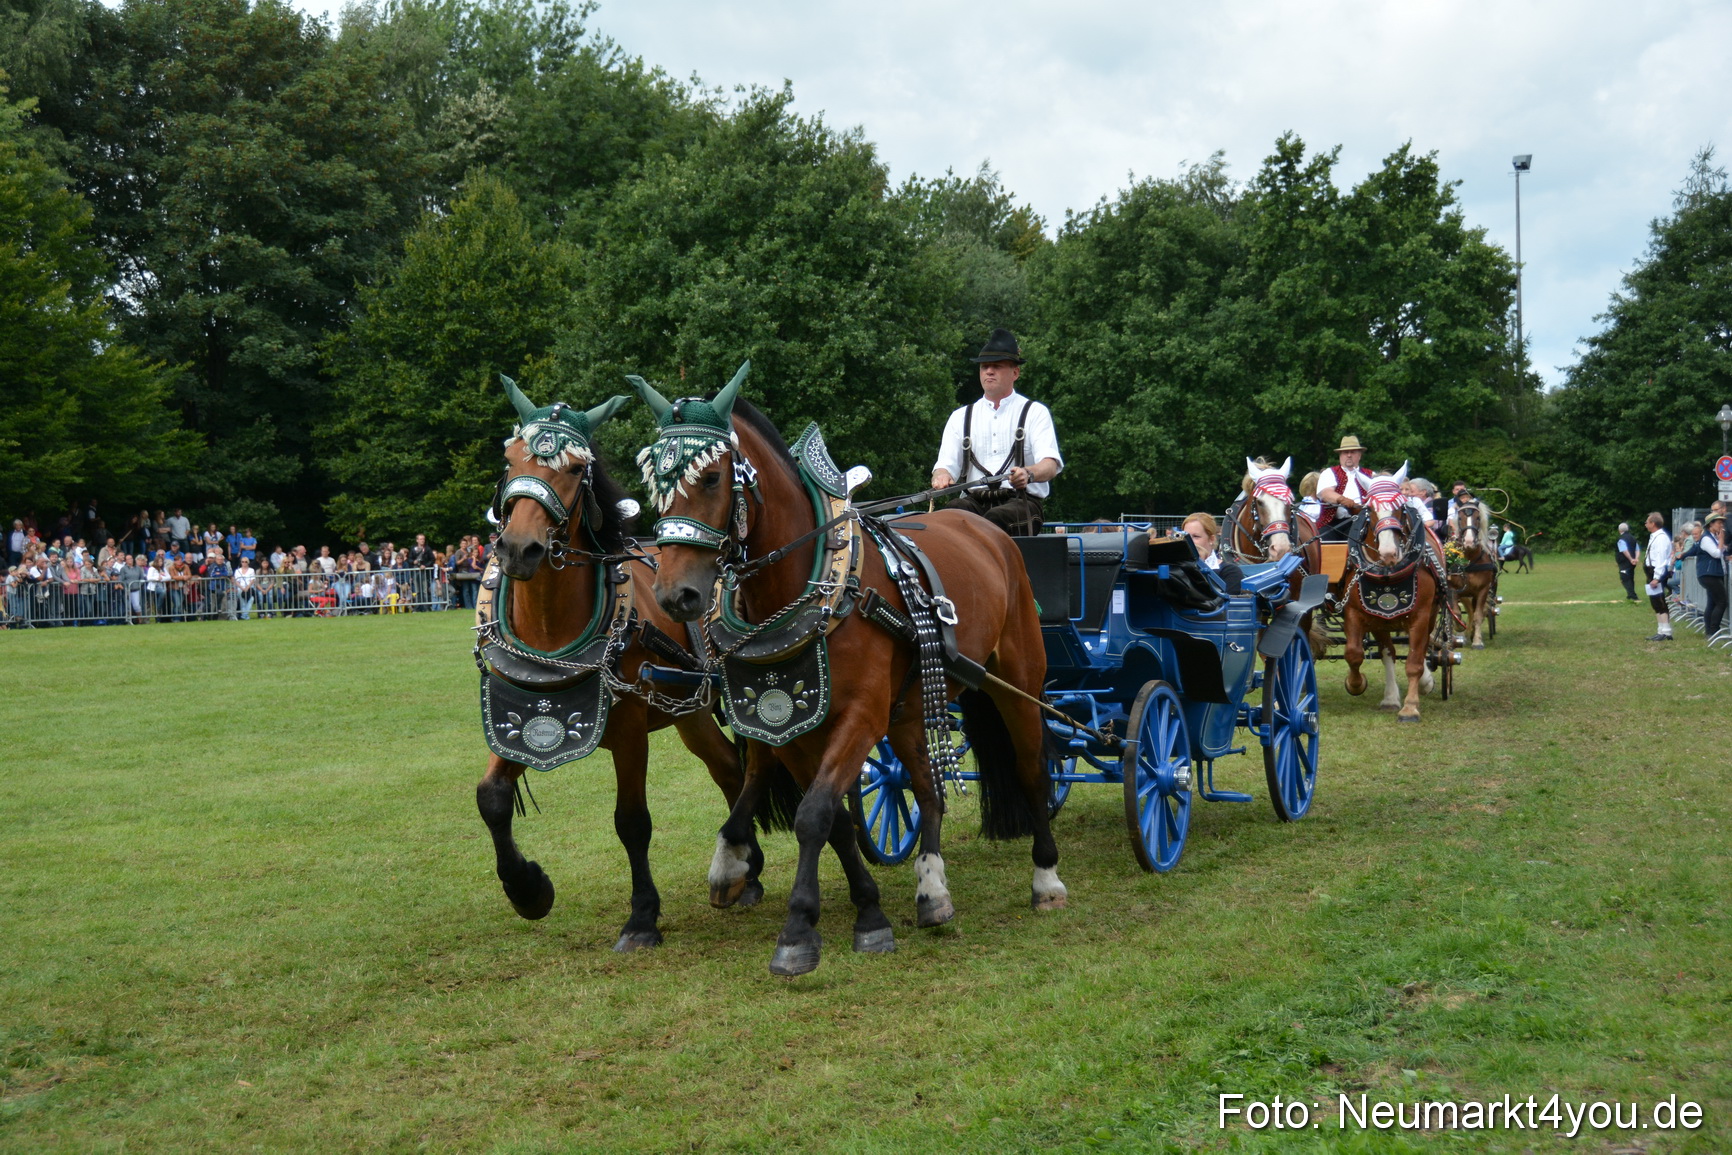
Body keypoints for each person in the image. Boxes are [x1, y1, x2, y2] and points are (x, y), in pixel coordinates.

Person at [930, 328, 1062, 536]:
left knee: (995, 518)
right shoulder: (960, 417)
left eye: (997, 366)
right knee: (950, 514)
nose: (989, 371)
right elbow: (944, 466)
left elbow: (1050, 465)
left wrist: (1028, 474)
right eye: (984, 367)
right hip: (973, 501)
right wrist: (941, 476)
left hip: (1021, 503)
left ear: (1015, 373)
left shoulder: (1035, 412)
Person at [1314, 436, 1376, 540]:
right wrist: (1342, 500)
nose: (1349, 455)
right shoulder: (1329, 473)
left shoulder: (1371, 475)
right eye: (1345, 452)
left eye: (1353, 452)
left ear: (1359, 455)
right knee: (1322, 541)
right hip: (1332, 523)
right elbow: (1326, 493)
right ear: (1340, 455)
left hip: (1361, 522)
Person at [1171, 512, 1243, 595]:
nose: (1189, 541)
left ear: (1211, 539)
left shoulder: (1230, 572)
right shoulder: (1175, 569)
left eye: (1196, 536)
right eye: (1185, 536)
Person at [1683, 512, 1726, 637]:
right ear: (1711, 524)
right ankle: (1714, 629)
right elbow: (1716, 554)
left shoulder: (1711, 537)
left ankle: (1709, 631)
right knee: (1722, 602)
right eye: (1719, 523)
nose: (1721, 525)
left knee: (1712, 603)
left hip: (1711, 573)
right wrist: (1721, 540)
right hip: (1709, 574)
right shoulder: (1706, 538)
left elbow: (1721, 550)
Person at [1643, 512, 1673, 642]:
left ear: (1653, 523)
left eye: (1647, 521)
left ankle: (1666, 630)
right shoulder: (1655, 536)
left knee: (1659, 601)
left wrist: (1656, 577)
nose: (1645, 524)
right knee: (1655, 601)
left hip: (1656, 573)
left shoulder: (1661, 538)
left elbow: (1660, 558)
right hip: (1651, 572)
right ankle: (1660, 629)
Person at [1615, 522, 1639, 601]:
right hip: (1632, 562)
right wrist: (1636, 558)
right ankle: (1630, 595)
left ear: (1619, 530)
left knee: (1624, 578)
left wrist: (1631, 559)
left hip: (1625, 562)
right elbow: (1637, 549)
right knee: (1630, 577)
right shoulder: (1633, 538)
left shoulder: (1621, 539)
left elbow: (1624, 550)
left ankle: (1633, 596)